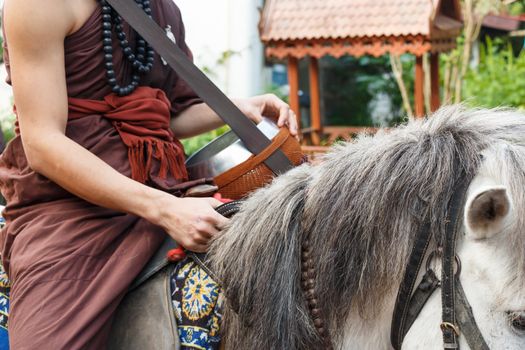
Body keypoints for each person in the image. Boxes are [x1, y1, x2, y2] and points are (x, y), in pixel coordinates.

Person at [0, 0, 298, 348]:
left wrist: (237, 109)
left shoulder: (160, 7)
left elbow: (165, 117)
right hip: (73, 207)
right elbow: (43, 143)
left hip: (171, 186)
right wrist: (164, 210)